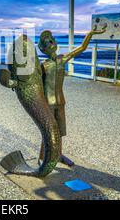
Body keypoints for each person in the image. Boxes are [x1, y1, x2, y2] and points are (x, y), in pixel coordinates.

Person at [38, 26, 106, 165]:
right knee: (48, 130)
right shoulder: (42, 66)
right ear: (43, 48)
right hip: (48, 103)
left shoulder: (62, 59)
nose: (51, 43)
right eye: (47, 42)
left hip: (60, 101)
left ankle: (59, 155)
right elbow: (35, 83)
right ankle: (43, 157)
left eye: (52, 40)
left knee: (60, 131)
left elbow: (81, 48)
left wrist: (91, 33)